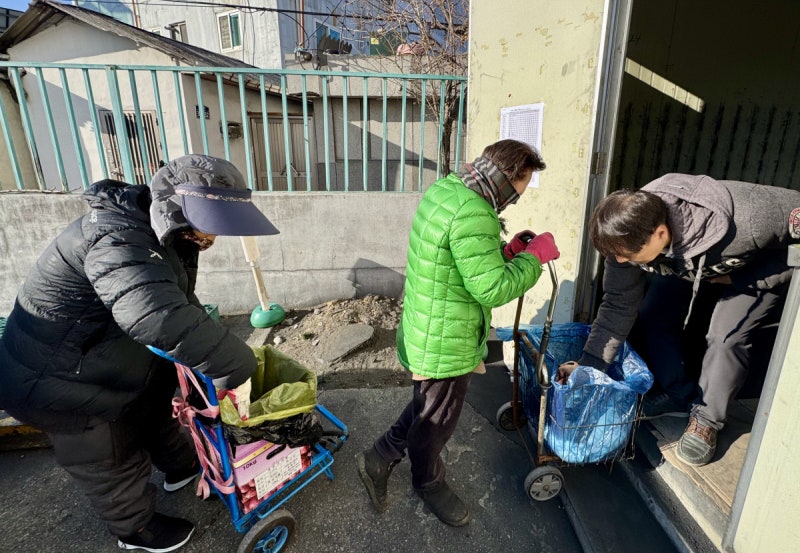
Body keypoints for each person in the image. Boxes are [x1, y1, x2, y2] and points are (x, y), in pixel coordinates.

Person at [0, 155, 278, 552]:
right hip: (58, 377)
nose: (214, 237)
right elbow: (158, 319)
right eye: (209, 223)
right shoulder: (116, 239)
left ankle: (182, 467)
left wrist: (213, 350)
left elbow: (180, 304)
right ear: (176, 207)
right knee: (110, 455)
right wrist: (237, 365)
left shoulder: (162, 234)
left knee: (158, 407)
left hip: (104, 358)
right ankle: (135, 531)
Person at [355, 139, 560, 526]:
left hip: (428, 324)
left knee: (426, 405)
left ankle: (380, 456)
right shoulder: (476, 213)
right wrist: (534, 258)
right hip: (447, 340)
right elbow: (492, 288)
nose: (511, 204)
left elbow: (463, 264)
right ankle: (427, 482)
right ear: (505, 180)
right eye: (515, 195)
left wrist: (507, 253)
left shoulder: (448, 190)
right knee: (437, 420)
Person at [559, 173, 800, 467]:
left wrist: (741, 277)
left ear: (660, 233)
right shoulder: (624, 238)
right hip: (682, 262)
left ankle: (707, 420)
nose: (621, 262)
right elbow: (617, 306)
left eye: (628, 257)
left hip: (752, 269)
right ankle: (677, 393)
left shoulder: (754, 216)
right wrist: (589, 367)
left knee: (725, 338)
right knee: (654, 314)